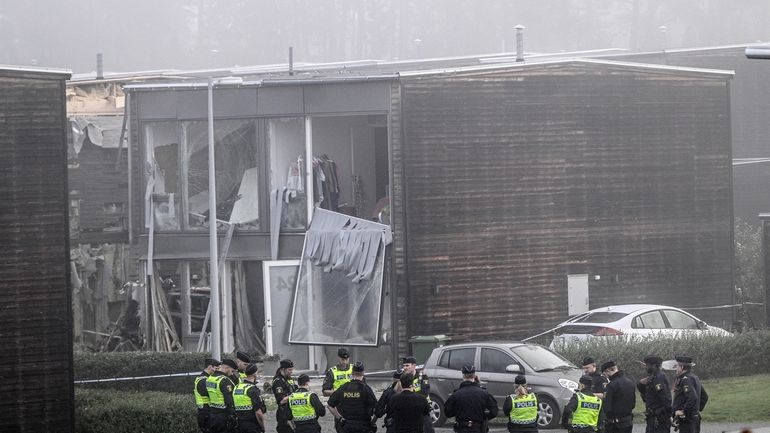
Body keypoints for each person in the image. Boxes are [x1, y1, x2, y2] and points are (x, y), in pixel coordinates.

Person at [444, 365, 498, 433]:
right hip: (478, 428)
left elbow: (447, 412)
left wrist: (458, 412)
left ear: (463, 376)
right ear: (474, 376)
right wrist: (483, 416)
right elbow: (494, 411)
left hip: (461, 428)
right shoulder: (483, 393)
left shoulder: (456, 394)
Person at [328, 361, 378, 433]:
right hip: (363, 427)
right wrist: (372, 422)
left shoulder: (344, 387)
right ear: (363, 373)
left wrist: (339, 418)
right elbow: (377, 410)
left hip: (347, 427)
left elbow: (330, 405)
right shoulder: (366, 389)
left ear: (352, 372)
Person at [672, 356, 708, 433]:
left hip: (688, 421)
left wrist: (684, 411)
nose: (676, 368)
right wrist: (696, 410)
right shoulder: (694, 377)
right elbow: (704, 397)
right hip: (693, 419)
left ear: (682, 367)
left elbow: (692, 397)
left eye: (677, 366)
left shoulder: (686, 379)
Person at [637, 355, 671, 433]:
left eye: (648, 365)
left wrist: (663, 415)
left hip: (658, 419)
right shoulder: (653, 377)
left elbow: (666, 400)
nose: (646, 367)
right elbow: (648, 396)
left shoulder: (658, 378)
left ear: (654, 366)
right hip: (653, 418)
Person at [325, 347, 354, 433]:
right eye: (342, 359)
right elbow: (325, 391)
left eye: (346, 359)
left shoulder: (354, 369)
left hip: (354, 405)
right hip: (340, 407)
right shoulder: (332, 372)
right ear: (338, 358)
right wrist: (339, 393)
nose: (344, 362)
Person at [402, 356, 435, 433]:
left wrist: (410, 393)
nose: (405, 368)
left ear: (414, 365)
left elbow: (424, 392)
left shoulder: (422, 377)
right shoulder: (402, 377)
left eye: (407, 365)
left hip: (422, 410)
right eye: (404, 366)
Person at [601, 361, 636, 433]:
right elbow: (633, 404)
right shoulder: (630, 382)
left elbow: (607, 407)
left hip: (615, 425)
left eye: (605, 374)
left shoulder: (611, 385)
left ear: (608, 371)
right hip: (628, 422)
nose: (606, 377)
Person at [207, 358, 238, 433]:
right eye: (232, 371)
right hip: (223, 416)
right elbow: (229, 400)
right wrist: (233, 415)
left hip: (212, 414)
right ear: (227, 368)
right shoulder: (224, 381)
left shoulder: (210, 378)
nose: (232, 374)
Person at [234, 363, 267, 433]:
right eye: (257, 372)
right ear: (254, 374)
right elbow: (258, 413)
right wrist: (263, 427)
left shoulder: (237, 387)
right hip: (252, 426)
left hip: (238, 425)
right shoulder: (253, 389)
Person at [272, 359, 298, 433]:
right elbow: (281, 400)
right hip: (284, 415)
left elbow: (295, 389)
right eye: (289, 370)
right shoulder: (278, 381)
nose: (291, 372)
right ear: (283, 369)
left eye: (292, 370)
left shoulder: (289, 379)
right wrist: (297, 396)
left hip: (293, 413)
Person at [195, 358, 220, 433]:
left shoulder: (205, 378)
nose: (217, 371)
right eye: (216, 368)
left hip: (205, 412)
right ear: (210, 367)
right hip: (206, 414)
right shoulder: (204, 380)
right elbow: (211, 394)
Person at [376, 369, 404, 433]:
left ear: (393, 379)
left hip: (392, 426)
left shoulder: (388, 392)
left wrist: (386, 409)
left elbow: (378, 412)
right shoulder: (410, 391)